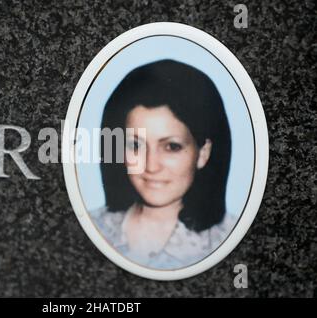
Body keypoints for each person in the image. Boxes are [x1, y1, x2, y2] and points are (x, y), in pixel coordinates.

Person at [90, 59, 236, 269]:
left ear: (203, 153)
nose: (151, 166)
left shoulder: (230, 240)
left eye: (172, 147)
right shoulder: (92, 227)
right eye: (135, 145)